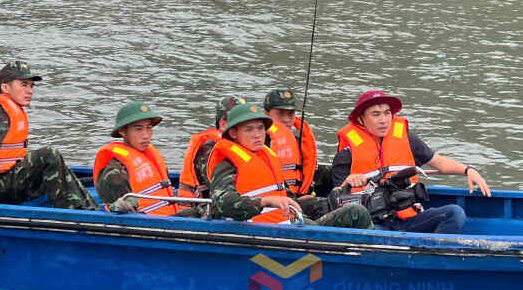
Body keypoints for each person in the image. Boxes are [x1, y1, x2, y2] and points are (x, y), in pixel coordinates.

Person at [330, 89, 491, 234]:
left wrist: (468, 170)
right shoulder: (347, 153)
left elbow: (438, 162)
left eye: (387, 113)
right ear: (360, 118)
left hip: (407, 219)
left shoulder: (406, 139)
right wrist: (347, 182)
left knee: (455, 213)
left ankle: (431, 254)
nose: (384, 120)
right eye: (375, 114)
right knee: (377, 235)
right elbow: (335, 197)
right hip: (373, 224)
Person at [208, 100, 372, 229]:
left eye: (260, 128)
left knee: (343, 204)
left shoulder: (267, 156)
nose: (257, 135)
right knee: (356, 213)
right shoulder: (227, 163)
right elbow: (223, 203)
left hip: (287, 220)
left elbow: (284, 195)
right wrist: (264, 202)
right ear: (234, 133)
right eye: (249, 129)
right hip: (265, 229)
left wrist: (338, 189)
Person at [0, 60, 98, 209]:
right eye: (23, 85)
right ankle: (73, 212)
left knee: (58, 167)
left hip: (6, 181)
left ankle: (91, 208)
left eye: (31, 85)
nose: (30, 90)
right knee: (48, 154)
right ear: (5, 87)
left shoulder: (12, 109)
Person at [92, 101, 179, 215]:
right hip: (150, 225)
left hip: (169, 217)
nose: (146, 135)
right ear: (123, 131)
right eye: (138, 129)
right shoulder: (115, 171)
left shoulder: (151, 156)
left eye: (149, 128)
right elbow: (124, 215)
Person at [263, 88, 330, 196]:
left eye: (290, 114)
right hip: (277, 202)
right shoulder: (258, 144)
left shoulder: (298, 143)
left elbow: (312, 170)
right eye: (280, 113)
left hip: (301, 197)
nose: (286, 119)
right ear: (266, 114)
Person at [177, 96, 240, 199]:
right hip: (206, 208)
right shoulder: (209, 150)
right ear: (223, 124)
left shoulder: (238, 146)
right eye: (238, 121)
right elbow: (222, 187)